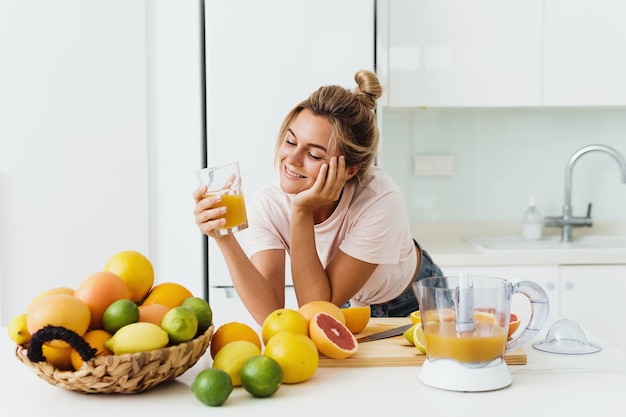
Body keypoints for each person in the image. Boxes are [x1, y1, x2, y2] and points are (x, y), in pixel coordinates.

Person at [193, 70, 442, 325]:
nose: (292, 159)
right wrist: (224, 238)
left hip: (411, 301)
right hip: (345, 301)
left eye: (314, 155)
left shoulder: (380, 200)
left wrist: (301, 212)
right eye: (290, 141)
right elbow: (271, 313)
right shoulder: (269, 205)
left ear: (349, 170)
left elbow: (316, 306)